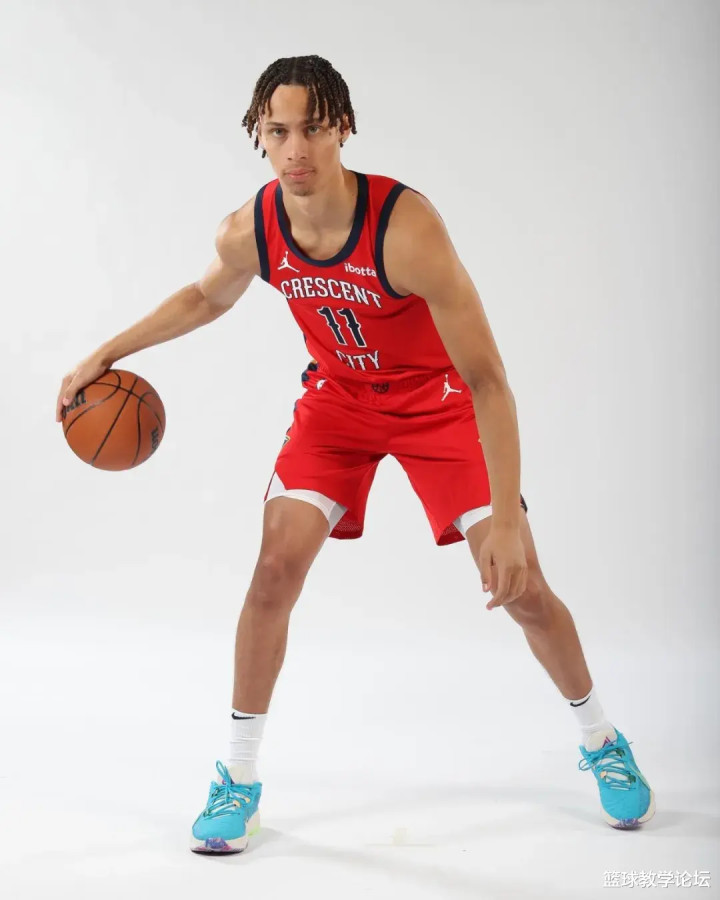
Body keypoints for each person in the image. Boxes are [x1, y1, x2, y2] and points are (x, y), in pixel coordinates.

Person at [56, 55, 655, 854]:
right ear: (259, 134)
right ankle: (237, 776)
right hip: (339, 404)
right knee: (274, 570)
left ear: (341, 127)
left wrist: (508, 521)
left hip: (439, 404)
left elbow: (488, 379)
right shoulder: (252, 228)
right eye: (278, 131)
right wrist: (107, 351)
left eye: (311, 128)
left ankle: (602, 739)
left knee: (523, 588)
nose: (295, 149)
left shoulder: (405, 229)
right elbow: (205, 295)